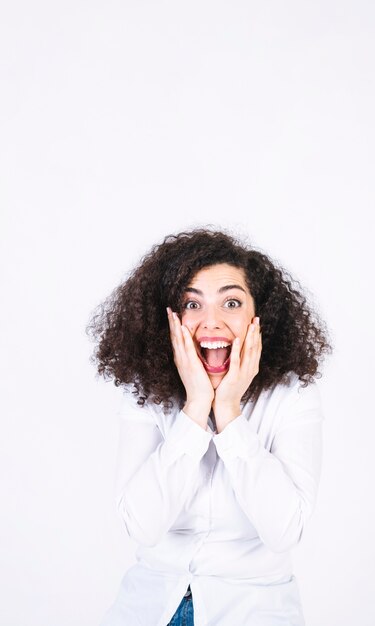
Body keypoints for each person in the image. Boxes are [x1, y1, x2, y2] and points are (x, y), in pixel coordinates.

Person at [87, 228, 331, 626]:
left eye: (231, 302)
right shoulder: (146, 392)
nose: (211, 322)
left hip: (253, 611)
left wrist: (230, 411)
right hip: (149, 606)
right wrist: (197, 407)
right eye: (192, 304)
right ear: (169, 318)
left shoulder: (293, 395)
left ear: (259, 316)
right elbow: (142, 526)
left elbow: (284, 530)